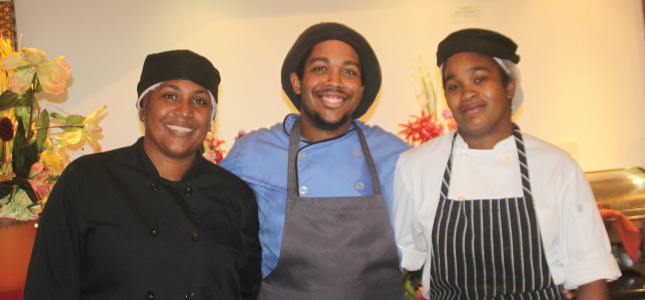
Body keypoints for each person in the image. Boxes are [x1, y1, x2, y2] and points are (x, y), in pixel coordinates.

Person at [393, 29, 621, 300]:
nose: (467, 93)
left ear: (509, 86)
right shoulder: (415, 167)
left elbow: (591, 277)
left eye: (480, 79)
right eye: (454, 86)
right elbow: (398, 262)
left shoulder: (557, 167)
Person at [23, 50, 262, 300]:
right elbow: (49, 285)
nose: (184, 111)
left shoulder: (234, 194)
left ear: (211, 119)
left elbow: (248, 290)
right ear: (143, 108)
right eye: (170, 96)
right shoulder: (87, 179)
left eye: (200, 101)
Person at [219, 22, 410, 299]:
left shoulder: (394, 152)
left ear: (361, 87)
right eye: (320, 68)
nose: (334, 81)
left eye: (349, 72)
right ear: (297, 82)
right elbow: (211, 226)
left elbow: (423, 237)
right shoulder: (253, 152)